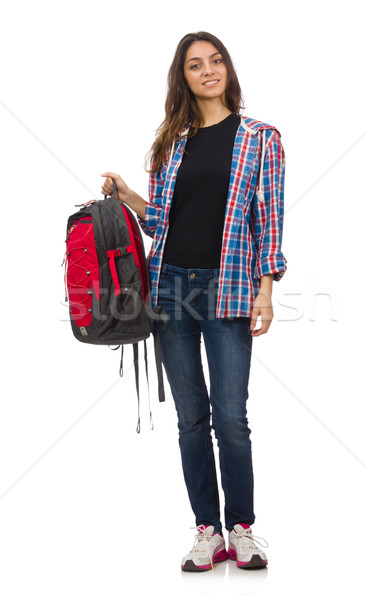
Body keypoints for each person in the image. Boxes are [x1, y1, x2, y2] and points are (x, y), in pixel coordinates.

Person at [101, 31, 287, 572]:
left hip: (227, 286)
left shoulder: (260, 138)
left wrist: (266, 289)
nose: (207, 71)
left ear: (228, 68)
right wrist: (129, 194)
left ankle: (244, 531)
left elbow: (268, 220)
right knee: (190, 418)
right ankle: (207, 529)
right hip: (169, 289)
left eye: (215, 61)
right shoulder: (171, 142)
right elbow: (160, 220)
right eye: (194, 65)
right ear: (182, 78)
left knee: (231, 417)